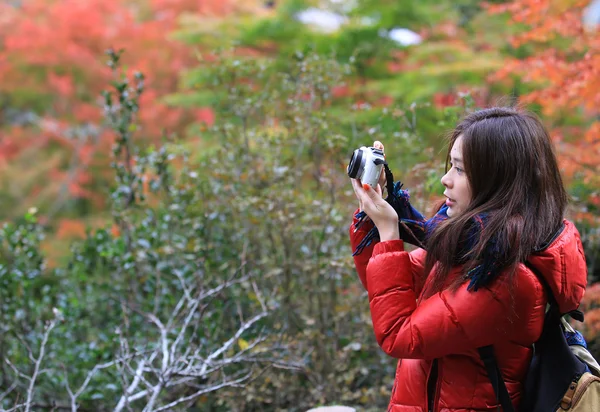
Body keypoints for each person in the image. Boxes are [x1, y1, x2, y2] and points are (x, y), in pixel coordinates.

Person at [348, 107, 588, 411]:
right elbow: (392, 286)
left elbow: (400, 334)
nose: (445, 179)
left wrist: (388, 230)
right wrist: (370, 212)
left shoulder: (508, 276)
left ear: (497, 179)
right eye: (451, 165)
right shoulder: (469, 243)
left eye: (460, 169)